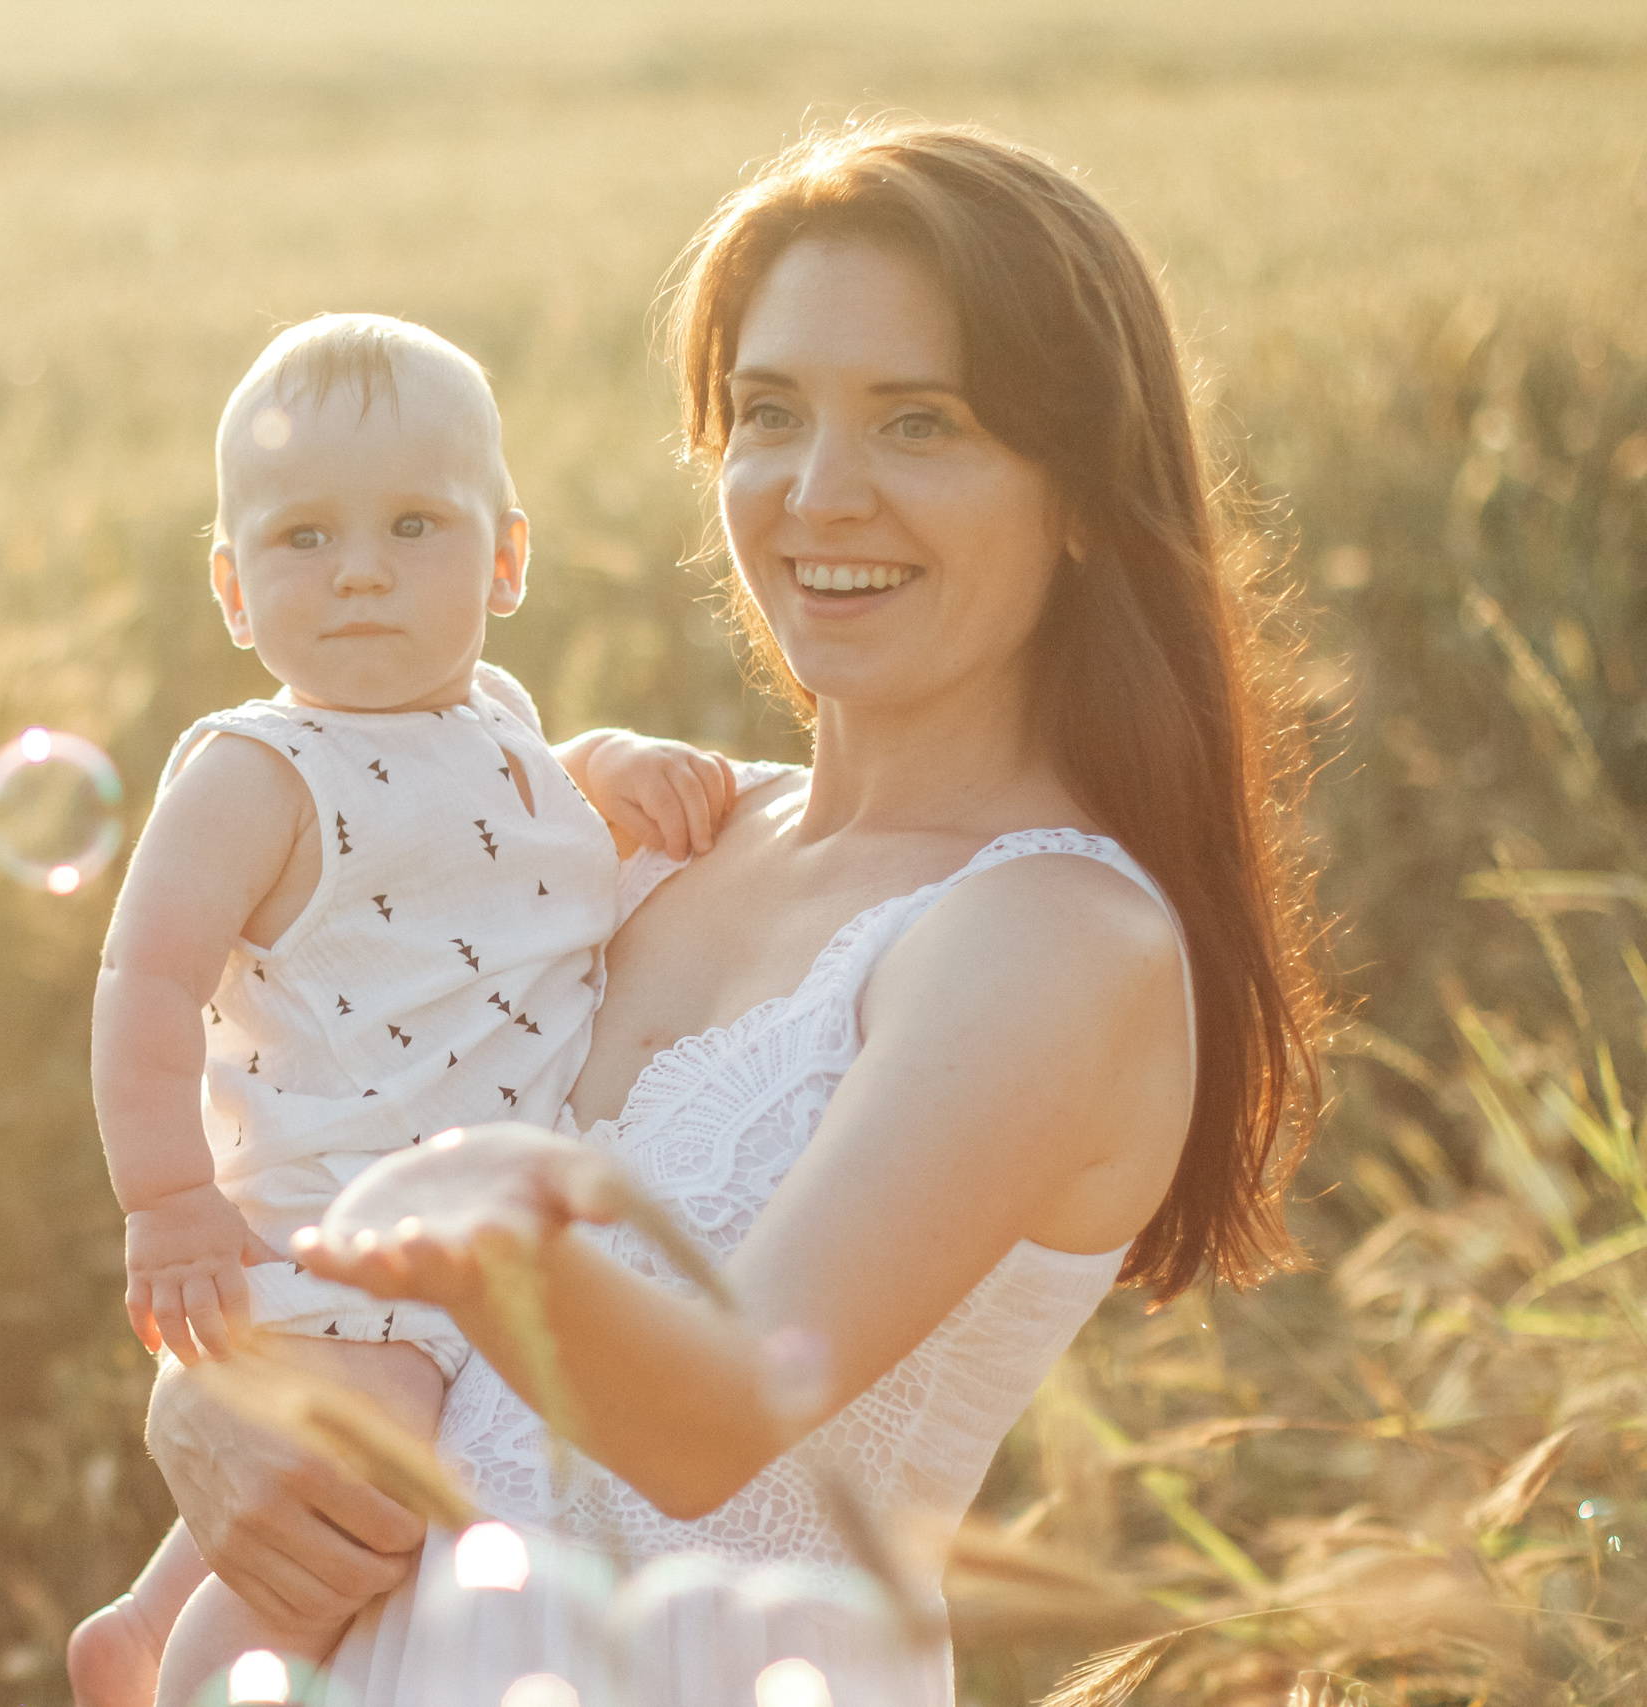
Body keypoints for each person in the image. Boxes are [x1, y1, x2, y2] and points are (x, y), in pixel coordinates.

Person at [143, 122, 1325, 1705]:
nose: (821, 494)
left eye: (923, 423)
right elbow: (309, 1123)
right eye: (769, 416)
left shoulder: (1054, 939)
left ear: (1084, 494)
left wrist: (471, 1237)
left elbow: (714, 1424)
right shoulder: (649, 838)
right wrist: (204, 1399)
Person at [67, 314, 738, 1706]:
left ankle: (142, 1631)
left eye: (415, 525)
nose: (360, 571)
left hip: (443, 1246)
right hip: (338, 1250)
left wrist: (611, 766)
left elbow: (518, 813)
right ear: (233, 588)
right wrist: (167, 1201)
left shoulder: (501, 723)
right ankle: (203, 1679)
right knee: (354, 1514)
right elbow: (146, 982)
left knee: (338, 1474)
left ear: (506, 561)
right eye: (302, 537)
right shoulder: (259, 775)